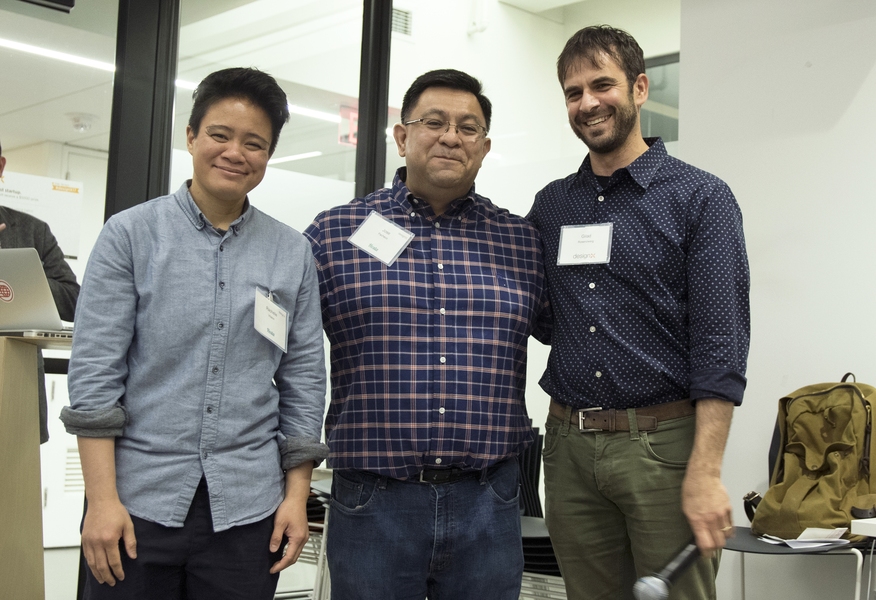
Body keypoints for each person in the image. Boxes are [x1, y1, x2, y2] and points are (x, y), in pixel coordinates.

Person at [60, 67, 328, 600]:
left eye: (254, 143)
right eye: (219, 135)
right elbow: (95, 376)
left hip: (249, 507)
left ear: (268, 155)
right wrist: (102, 501)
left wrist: (296, 497)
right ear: (190, 136)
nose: (235, 153)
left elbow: (303, 379)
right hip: (137, 500)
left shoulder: (291, 251)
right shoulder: (130, 235)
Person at [304, 68, 550, 600]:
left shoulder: (522, 241)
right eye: (433, 122)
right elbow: (289, 359)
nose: (450, 137)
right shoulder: (334, 233)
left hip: (488, 502)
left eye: (468, 127)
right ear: (402, 137)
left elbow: (572, 333)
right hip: (372, 503)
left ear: (484, 147)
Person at [527, 26, 750, 599]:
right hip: (569, 449)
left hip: (663, 448)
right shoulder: (552, 205)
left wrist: (706, 471)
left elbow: (720, 344)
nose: (588, 103)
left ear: (640, 88)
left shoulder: (700, 197)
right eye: (573, 92)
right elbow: (540, 316)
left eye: (602, 85)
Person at [0, 138, 80, 444]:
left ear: (1, 167)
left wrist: (22, 279)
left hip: (15, 393)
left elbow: (73, 300)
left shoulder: (32, 231)